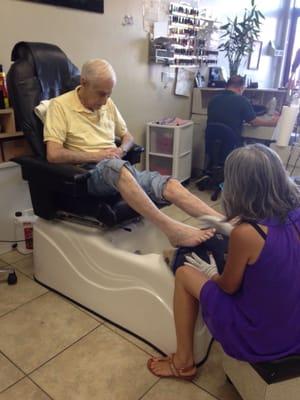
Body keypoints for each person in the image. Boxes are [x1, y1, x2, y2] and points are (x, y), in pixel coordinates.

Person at [147, 144, 300, 380]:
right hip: (293, 328)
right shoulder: (295, 213)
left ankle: (183, 361)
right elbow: (276, 253)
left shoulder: (247, 234)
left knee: (185, 273)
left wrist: (210, 272)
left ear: (239, 187)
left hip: (260, 338)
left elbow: (228, 286)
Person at [44, 58, 221, 247]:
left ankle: (226, 225)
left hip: (116, 166)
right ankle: (173, 230)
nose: (105, 102)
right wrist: (98, 155)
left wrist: (121, 150)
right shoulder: (59, 106)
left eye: (108, 95)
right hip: (88, 174)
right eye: (101, 95)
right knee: (116, 168)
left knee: (171, 185)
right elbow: (53, 154)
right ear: (84, 83)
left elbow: (128, 137)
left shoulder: (108, 104)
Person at [207, 75, 279, 139]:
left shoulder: (213, 99)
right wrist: (272, 123)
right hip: (232, 146)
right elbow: (254, 122)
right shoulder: (242, 100)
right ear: (241, 88)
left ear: (227, 86)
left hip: (212, 144)